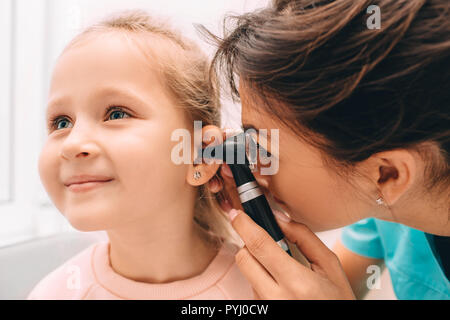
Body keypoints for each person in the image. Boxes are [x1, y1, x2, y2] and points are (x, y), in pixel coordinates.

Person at [204, 0, 449, 299]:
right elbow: (330, 287)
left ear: (388, 174)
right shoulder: (382, 208)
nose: (252, 163)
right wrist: (275, 236)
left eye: (263, 148)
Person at [27, 10, 254, 300]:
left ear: (200, 156)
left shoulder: (264, 291)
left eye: (116, 113)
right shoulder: (54, 294)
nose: (72, 144)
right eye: (61, 122)